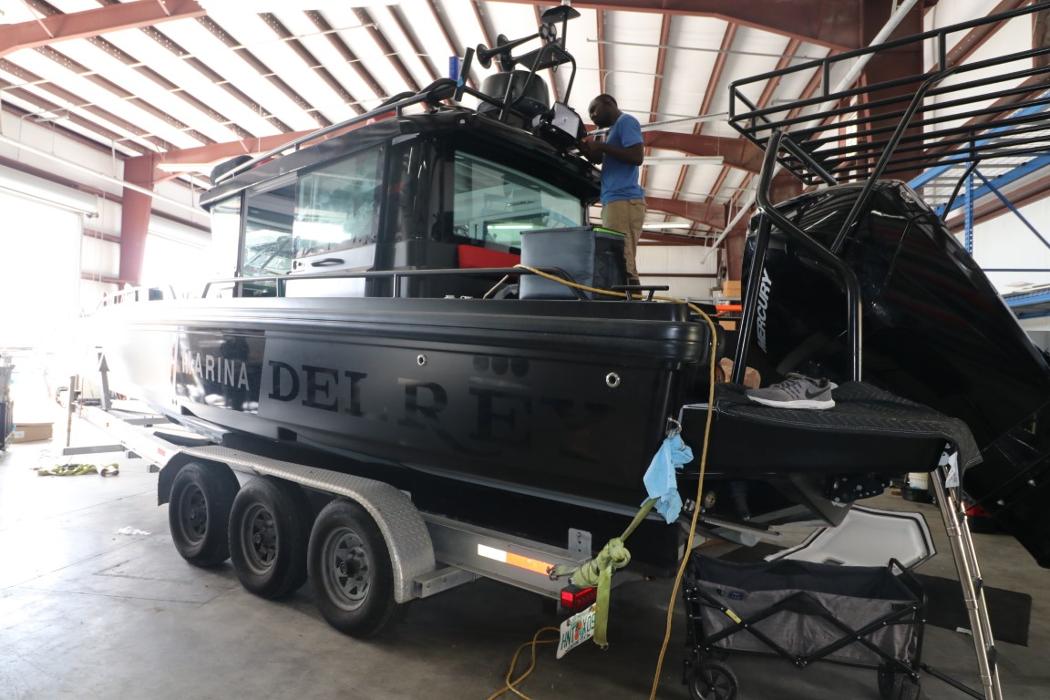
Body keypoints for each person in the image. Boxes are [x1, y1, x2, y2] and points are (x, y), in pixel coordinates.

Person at [580, 94, 646, 283]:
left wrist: (602, 146)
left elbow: (637, 156)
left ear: (608, 103)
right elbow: (598, 158)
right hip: (615, 201)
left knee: (622, 259)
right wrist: (586, 149)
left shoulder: (626, 121)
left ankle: (631, 299)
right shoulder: (611, 131)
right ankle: (627, 297)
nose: (592, 116)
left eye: (594, 110)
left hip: (623, 200)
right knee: (618, 257)